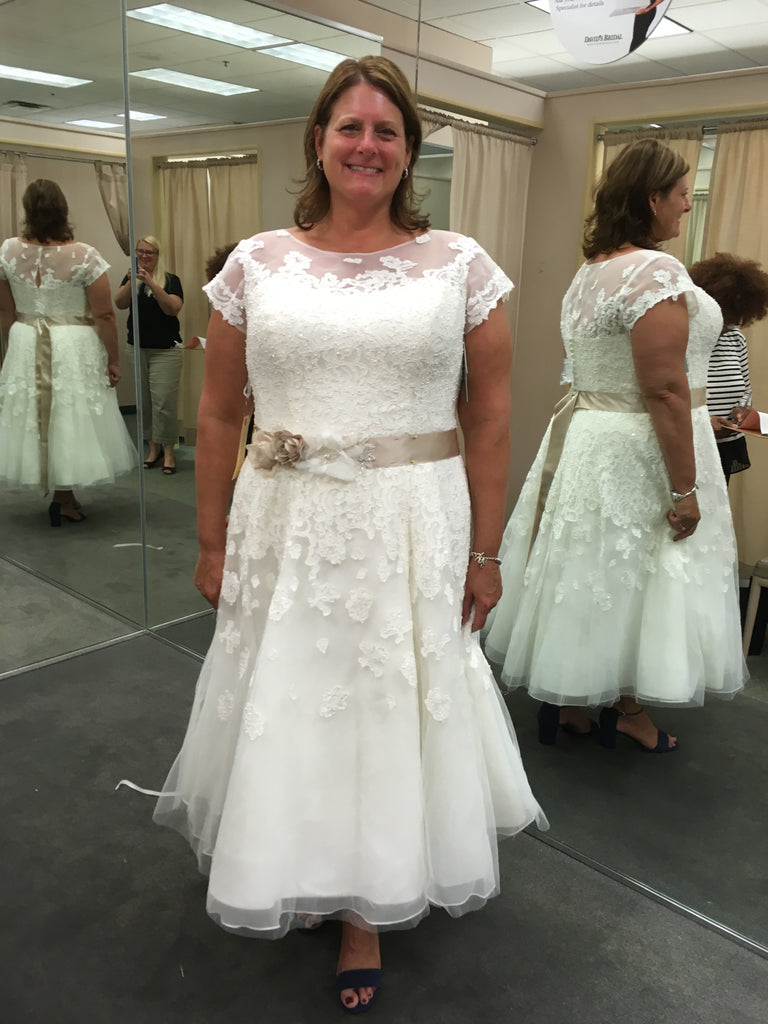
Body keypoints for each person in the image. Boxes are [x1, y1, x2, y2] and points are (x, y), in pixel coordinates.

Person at [151, 56, 546, 1014]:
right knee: (293, 693)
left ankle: (368, 901)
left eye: (387, 131)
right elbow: (218, 412)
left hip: (410, 522)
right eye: (351, 127)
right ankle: (298, 854)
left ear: (408, 152)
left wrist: (486, 552)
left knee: (383, 702)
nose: (367, 145)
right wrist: (211, 540)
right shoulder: (255, 263)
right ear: (319, 140)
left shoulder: (461, 266)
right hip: (286, 518)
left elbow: (491, 416)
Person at [484, 139, 746, 754]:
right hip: (642, 442)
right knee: (643, 573)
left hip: (589, 436)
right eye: (681, 193)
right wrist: (685, 487)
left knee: (593, 565)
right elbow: (664, 388)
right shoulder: (656, 271)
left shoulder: (590, 272)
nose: (687, 205)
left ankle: (575, 700)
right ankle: (628, 709)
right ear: (652, 199)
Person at [0, 179, 137, 524]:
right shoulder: (84, 255)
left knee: (36, 412)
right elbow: (104, 314)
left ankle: (61, 492)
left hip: (25, 337)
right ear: (63, 210)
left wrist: (11, 349)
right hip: (71, 342)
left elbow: (5, 311)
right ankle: (63, 497)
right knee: (69, 412)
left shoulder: (8, 251)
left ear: (28, 211)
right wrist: (113, 359)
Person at [688, 252, 768, 484]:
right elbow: (664, 396)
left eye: (736, 317)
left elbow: (745, 390)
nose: (729, 324)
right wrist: (702, 423)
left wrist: (743, 411)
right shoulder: (682, 339)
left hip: (725, 446)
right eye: (725, 316)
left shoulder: (734, 337)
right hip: (689, 447)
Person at [114, 234, 183, 475]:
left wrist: (151, 282)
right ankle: (153, 449)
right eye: (140, 251)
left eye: (149, 252)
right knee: (144, 403)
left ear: (157, 255)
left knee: (163, 403)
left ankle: (169, 451)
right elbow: (119, 303)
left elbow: (172, 309)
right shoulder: (130, 278)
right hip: (137, 348)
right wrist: (133, 282)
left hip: (166, 351)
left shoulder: (171, 280)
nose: (144, 256)